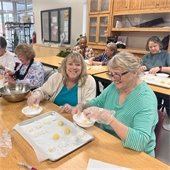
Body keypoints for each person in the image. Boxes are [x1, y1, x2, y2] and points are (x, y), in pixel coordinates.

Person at [72, 51, 158, 157]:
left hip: (137, 154)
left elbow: (140, 142)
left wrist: (110, 119)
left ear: (135, 72)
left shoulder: (145, 99)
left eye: (117, 74)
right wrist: (82, 106)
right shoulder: (115, 86)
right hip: (110, 143)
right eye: (111, 74)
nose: (113, 79)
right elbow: (98, 102)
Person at [27, 52, 96, 113]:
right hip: (54, 115)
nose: (74, 67)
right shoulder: (57, 77)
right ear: (65, 66)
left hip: (76, 118)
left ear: (82, 67)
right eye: (70, 64)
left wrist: (73, 108)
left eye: (78, 65)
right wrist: (36, 95)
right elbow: (43, 91)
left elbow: (89, 104)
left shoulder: (89, 81)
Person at [141, 36, 170, 115]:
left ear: (159, 45)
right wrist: (142, 67)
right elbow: (139, 67)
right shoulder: (146, 56)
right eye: (150, 47)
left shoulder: (166, 55)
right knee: (150, 102)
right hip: (149, 83)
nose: (152, 48)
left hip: (163, 83)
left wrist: (160, 68)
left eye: (155, 46)